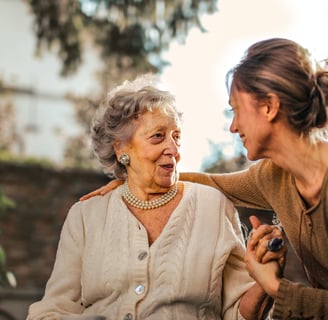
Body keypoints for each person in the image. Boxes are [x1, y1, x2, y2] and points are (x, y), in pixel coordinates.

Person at [81, 38, 328, 319]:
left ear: (270, 107)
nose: (233, 127)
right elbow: (212, 182)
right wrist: (137, 177)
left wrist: (274, 286)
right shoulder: (273, 177)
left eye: (236, 109)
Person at [27, 75, 276, 320]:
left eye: (176, 137)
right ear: (121, 148)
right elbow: (53, 310)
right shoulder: (85, 216)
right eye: (158, 136)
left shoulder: (213, 207)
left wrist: (265, 282)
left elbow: (238, 312)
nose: (174, 149)